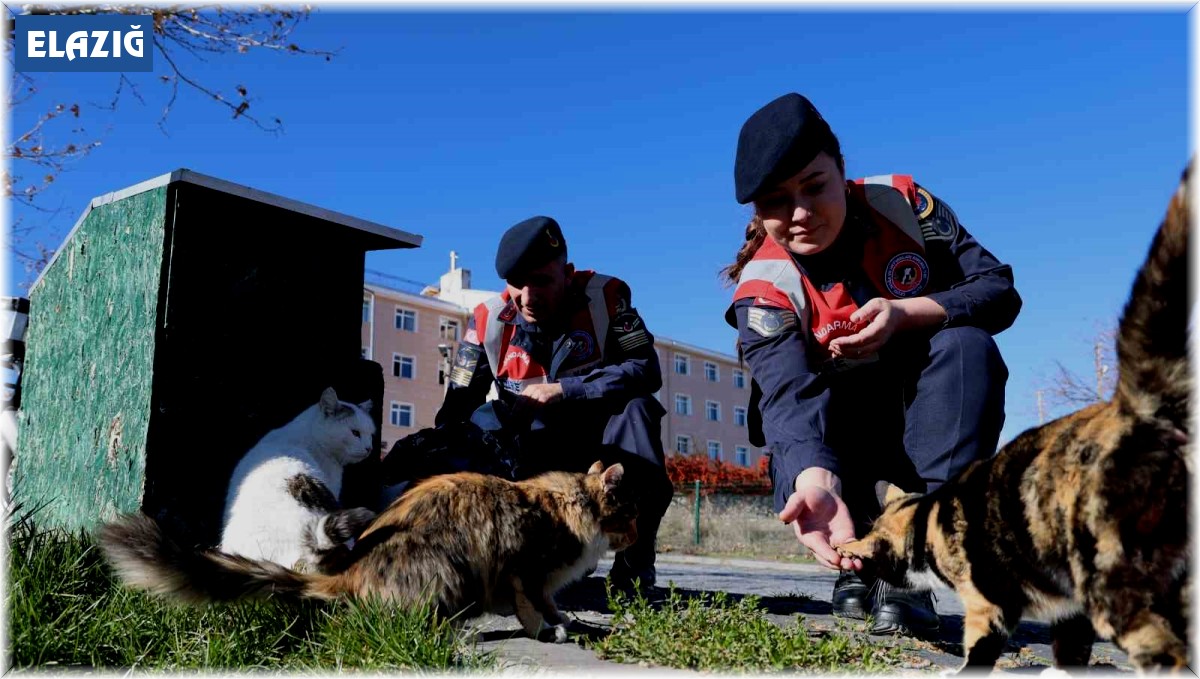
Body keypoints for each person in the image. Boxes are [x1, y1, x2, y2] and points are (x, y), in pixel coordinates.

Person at [722, 93, 1021, 637]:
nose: (801, 215)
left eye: (815, 186)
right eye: (776, 202)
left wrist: (908, 313)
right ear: (756, 212)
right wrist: (814, 482)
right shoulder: (762, 289)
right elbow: (789, 399)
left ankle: (912, 560)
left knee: (966, 346)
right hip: (838, 440)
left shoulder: (903, 207)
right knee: (803, 426)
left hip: (921, 418)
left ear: (842, 169)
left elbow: (998, 289)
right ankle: (858, 558)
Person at [434, 215, 673, 591]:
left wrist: (565, 389)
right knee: (479, 422)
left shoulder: (608, 298)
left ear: (567, 273)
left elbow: (646, 369)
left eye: (542, 281)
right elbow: (456, 407)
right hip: (532, 452)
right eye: (516, 284)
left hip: (601, 445)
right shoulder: (487, 321)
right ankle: (499, 560)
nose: (528, 297)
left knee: (638, 410)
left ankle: (634, 561)